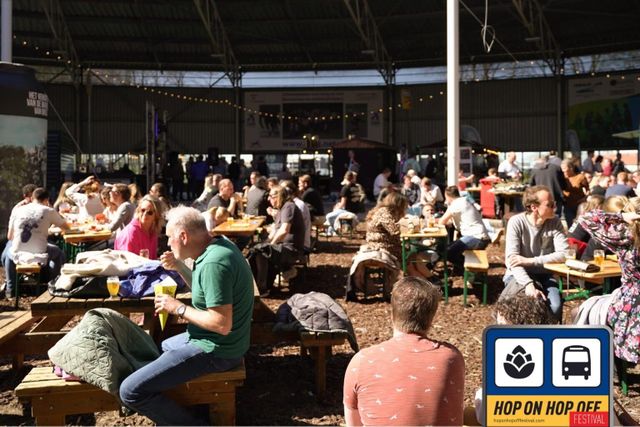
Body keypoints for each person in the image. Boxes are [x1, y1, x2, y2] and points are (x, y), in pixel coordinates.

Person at [119, 206, 253, 425]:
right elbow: (205, 290)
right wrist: (179, 267)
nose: (167, 243)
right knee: (161, 347)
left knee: (129, 391)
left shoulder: (213, 263)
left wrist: (178, 308)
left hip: (219, 351)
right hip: (226, 342)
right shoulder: (218, 246)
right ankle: (193, 407)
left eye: (169, 237)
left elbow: (221, 324)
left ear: (183, 236)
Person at [343, 276, 465, 426]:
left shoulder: (361, 361)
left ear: (392, 313)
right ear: (432, 317)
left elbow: (353, 422)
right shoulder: (451, 357)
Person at [574, 198, 640, 364]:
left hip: (630, 305)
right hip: (631, 303)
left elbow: (586, 218)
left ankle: (608, 365)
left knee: (588, 308)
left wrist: (620, 217)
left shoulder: (624, 236)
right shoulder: (625, 236)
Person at [499, 185, 569, 321]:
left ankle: (548, 334)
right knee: (527, 306)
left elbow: (564, 254)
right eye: (550, 205)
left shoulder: (555, 222)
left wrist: (531, 261)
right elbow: (512, 261)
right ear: (534, 207)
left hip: (545, 275)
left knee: (555, 307)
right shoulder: (517, 222)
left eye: (554, 204)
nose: (554, 207)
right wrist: (528, 284)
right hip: (518, 275)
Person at [2, 188, 69, 299]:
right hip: (40, 253)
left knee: (9, 254)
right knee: (58, 253)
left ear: (32, 198)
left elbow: (10, 237)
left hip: (18, 253)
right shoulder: (48, 210)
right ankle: (53, 283)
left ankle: (10, 288)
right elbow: (66, 227)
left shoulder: (17, 209)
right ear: (47, 200)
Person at [249, 186, 305, 295]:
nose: (268, 199)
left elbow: (284, 230)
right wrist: (265, 243)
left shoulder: (289, 206)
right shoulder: (281, 209)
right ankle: (256, 285)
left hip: (292, 249)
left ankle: (262, 288)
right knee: (255, 249)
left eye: (270, 196)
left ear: (278, 196)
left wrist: (270, 245)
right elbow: (274, 232)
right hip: (283, 246)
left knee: (261, 252)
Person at [438, 186, 490, 270]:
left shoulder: (456, 204)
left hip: (477, 237)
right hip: (479, 236)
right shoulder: (463, 201)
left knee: (448, 252)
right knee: (447, 248)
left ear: (447, 196)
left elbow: (442, 221)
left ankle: (468, 271)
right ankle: (463, 268)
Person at [114, 195, 164, 259]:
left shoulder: (153, 231)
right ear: (138, 210)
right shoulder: (131, 233)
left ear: (156, 216)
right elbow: (128, 262)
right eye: (143, 210)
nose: (145, 214)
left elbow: (152, 259)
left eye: (150, 212)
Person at [324, 171, 361, 236]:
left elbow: (343, 203)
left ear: (346, 179)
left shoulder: (345, 188)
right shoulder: (356, 187)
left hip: (347, 210)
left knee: (329, 216)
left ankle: (334, 231)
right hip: (356, 210)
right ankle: (330, 231)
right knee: (335, 213)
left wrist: (336, 207)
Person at [560, 159, 589, 228]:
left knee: (580, 224)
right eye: (562, 169)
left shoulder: (580, 177)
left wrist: (584, 198)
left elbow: (588, 190)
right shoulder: (562, 179)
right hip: (567, 205)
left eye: (565, 168)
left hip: (579, 204)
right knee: (570, 225)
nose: (563, 171)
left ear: (571, 168)